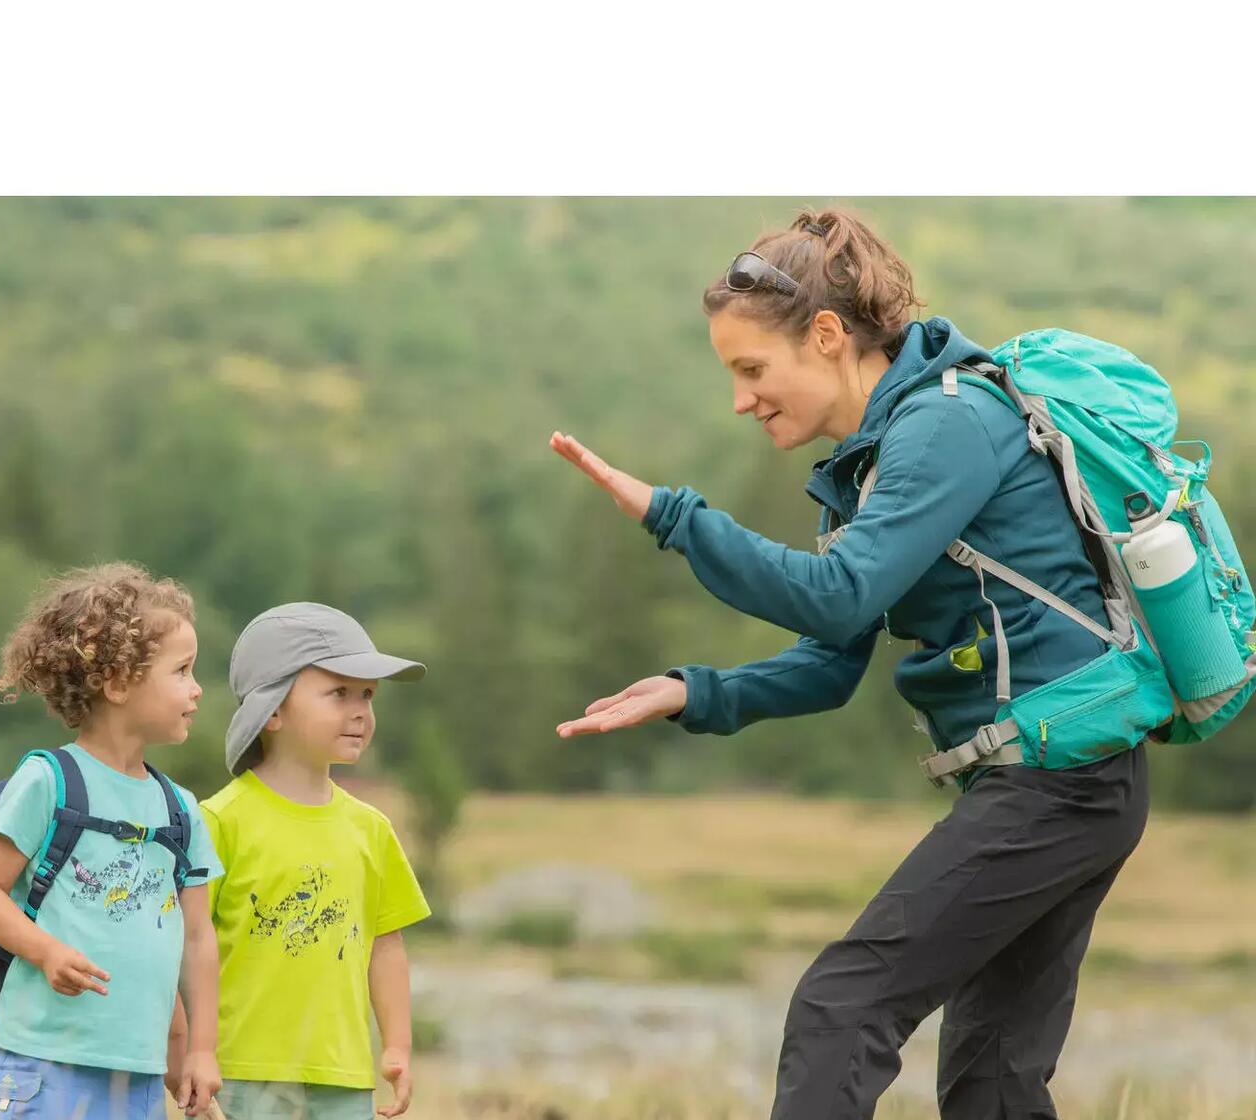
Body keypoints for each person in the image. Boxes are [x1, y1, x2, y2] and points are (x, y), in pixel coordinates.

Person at [549, 207, 1152, 1119]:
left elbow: (836, 592)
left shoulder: (948, 424)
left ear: (827, 336)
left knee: (842, 1009)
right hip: (1065, 781)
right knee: (991, 1084)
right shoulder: (867, 466)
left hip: (1060, 780)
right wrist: (693, 692)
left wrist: (676, 517)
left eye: (752, 370)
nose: (741, 399)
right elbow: (830, 662)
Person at [0, 562, 224, 1119]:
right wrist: (46, 951)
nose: (197, 689)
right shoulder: (47, 781)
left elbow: (199, 938)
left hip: (141, 1073)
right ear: (119, 682)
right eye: (181, 671)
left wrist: (200, 1050)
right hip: (43, 1059)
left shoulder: (181, 810)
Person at [198, 603, 431, 1120]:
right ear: (272, 711)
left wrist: (396, 1046)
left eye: (367, 696)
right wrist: (193, 1053)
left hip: (342, 1074)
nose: (360, 712)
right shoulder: (217, 821)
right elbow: (190, 946)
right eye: (339, 693)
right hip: (241, 1071)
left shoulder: (371, 828)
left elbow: (385, 945)